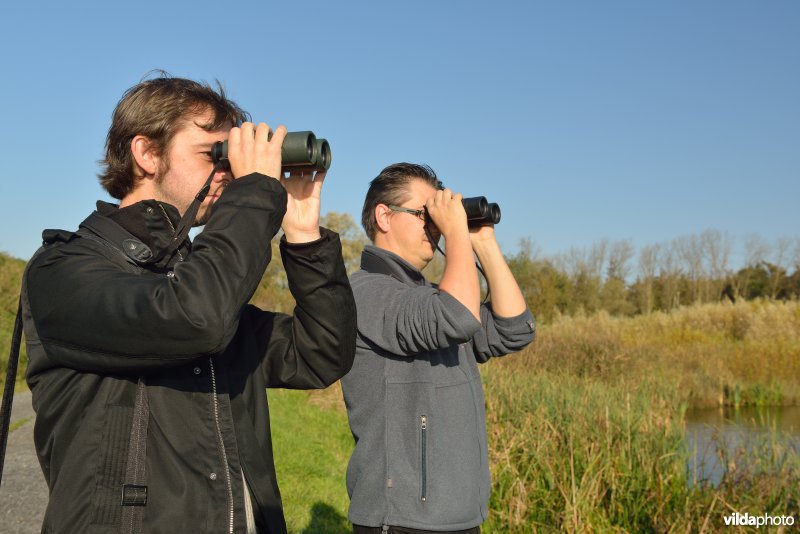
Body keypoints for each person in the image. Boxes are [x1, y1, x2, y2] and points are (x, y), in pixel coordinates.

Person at [20, 75, 357, 533]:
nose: (228, 172)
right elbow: (193, 318)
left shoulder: (200, 277)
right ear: (147, 153)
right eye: (213, 154)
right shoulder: (63, 269)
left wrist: (303, 238)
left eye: (231, 159)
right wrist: (256, 191)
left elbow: (320, 353)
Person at [340, 163, 536, 533]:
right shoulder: (365, 292)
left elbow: (514, 330)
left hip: (454, 514)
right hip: (402, 518)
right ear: (385, 216)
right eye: (423, 214)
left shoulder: (429, 298)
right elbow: (457, 315)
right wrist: (457, 234)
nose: (435, 226)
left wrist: (484, 245)